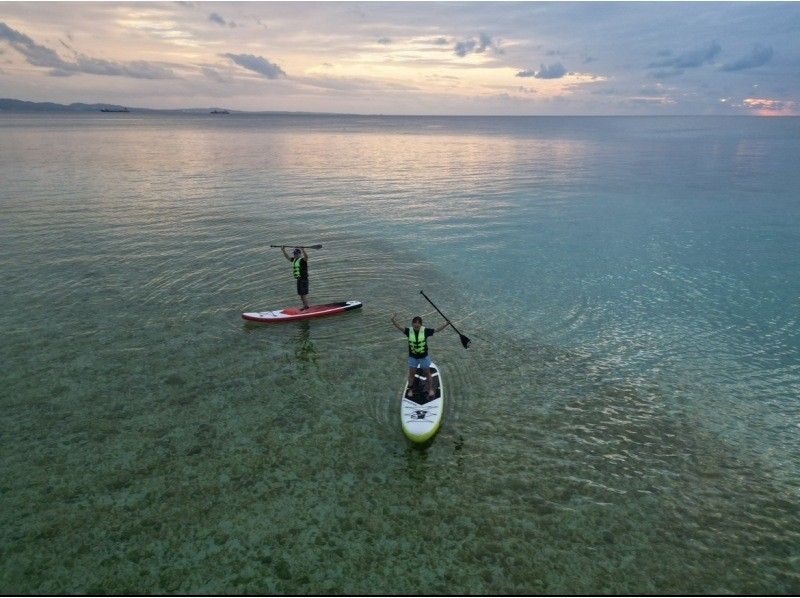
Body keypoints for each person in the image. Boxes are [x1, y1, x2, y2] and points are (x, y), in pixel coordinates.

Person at [391, 314, 450, 399]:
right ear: (412, 324)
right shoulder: (408, 331)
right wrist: (393, 321)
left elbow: (437, 330)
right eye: (415, 322)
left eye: (418, 323)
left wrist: (446, 324)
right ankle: (410, 390)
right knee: (411, 374)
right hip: (413, 357)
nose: (416, 324)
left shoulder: (425, 331)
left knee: (427, 373)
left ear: (421, 324)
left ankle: (430, 389)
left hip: (424, 357)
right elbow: (399, 327)